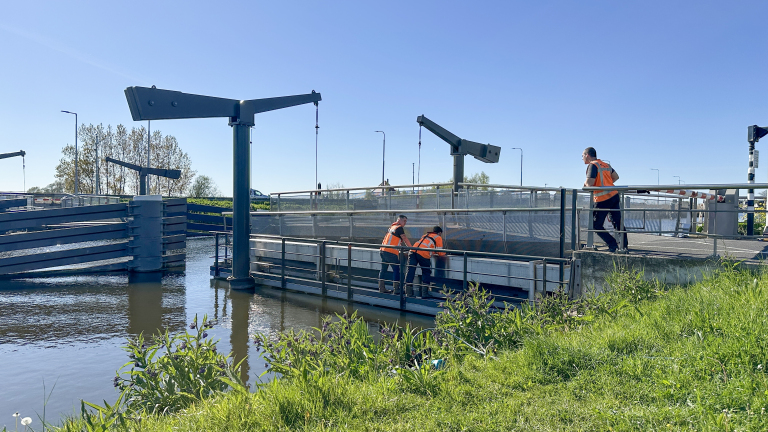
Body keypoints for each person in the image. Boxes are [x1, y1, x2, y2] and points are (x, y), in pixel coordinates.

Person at [582, 147, 627, 252]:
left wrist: (584, 184)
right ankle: (624, 247)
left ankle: (613, 245)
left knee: (596, 225)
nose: (582, 158)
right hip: (614, 196)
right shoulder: (605, 164)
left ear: (587, 155)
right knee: (618, 223)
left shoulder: (592, 165)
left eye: (582, 156)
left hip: (602, 199)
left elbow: (589, 184)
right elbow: (616, 177)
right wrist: (607, 184)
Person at [404, 226, 445, 298]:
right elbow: (440, 252)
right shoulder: (438, 237)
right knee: (426, 272)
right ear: (439, 233)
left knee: (410, 271)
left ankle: (408, 293)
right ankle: (424, 293)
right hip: (423, 254)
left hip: (412, 252)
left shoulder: (425, 235)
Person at [379, 215, 411, 293]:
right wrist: (411, 248)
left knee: (383, 270)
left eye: (406, 221)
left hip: (383, 250)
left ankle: (381, 288)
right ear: (399, 220)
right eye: (404, 221)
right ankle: (396, 289)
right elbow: (405, 239)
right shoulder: (399, 228)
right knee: (396, 270)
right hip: (391, 252)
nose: (405, 223)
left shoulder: (392, 227)